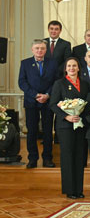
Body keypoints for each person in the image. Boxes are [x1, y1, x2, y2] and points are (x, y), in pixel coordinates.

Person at [50, 58, 90, 199]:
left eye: (74, 66)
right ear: (65, 69)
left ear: (79, 68)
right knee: (68, 156)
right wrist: (66, 116)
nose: (72, 68)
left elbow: (88, 104)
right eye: (69, 66)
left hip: (80, 124)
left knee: (80, 156)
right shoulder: (59, 83)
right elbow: (53, 104)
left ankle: (78, 189)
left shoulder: (85, 84)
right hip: (65, 126)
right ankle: (69, 190)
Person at [18, 39, 57, 168]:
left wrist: (47, 95)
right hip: (31, 102)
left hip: (48, 101)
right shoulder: (25, 63)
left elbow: (56, 81)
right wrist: (35, 95)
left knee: (47, 131)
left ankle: (47, 158)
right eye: (37, 48)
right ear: (32, 49)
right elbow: (22, 82)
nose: (40, 50)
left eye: (42, 48)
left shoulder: (53, 63)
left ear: (46, 50)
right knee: (31, 131)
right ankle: (32, 159)